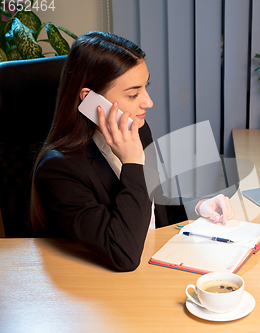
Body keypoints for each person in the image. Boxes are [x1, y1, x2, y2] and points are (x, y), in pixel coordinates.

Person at [30, 31, 234, 272]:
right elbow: (123, 253)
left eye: (145, 87)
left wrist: (198, 206)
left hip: (152, 264)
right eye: (133, 94)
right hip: (99, 290)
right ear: (90, 99)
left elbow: (151, 206)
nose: (148, 102)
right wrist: (133, 162)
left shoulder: (136, 128)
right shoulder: (59, 170)